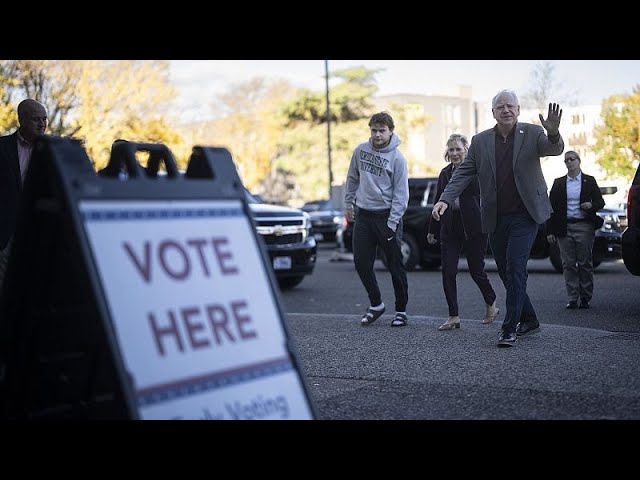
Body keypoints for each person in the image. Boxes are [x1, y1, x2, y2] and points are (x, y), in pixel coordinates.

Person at [432, 90, 564, 347]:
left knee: (515, 268)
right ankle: (530, 319)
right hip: (495, 216)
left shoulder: (533, 133)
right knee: (505, 271)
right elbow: (462, 174)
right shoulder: (480, 142)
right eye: (500, 107)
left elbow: (554, 149)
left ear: (518, 109)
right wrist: (444, 199)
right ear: (493, 112)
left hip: (526, 214)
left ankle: (509, 327)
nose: (506, 110)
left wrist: (553, 132)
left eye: (510, 106)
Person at [427, 133, 499, 330]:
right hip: (450, 227)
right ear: (447, 152)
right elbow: (438, 201)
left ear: (466, 150)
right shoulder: (444, 173)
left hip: (474, 227)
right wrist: (433, 229)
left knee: (476, 271)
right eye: (451, 149)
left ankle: (491, 301)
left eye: (458, 149)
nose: (455, 153)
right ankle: (453, 316)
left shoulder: (476, 171)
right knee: (448, 272)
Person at [344, 111, 409, 327]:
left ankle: (401, 310)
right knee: (361, 263)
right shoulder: (360, 150)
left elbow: (402, 194)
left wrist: (392, 223)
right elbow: (352, 178)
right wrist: (348, 203)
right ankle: (376, 305)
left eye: (382, 130)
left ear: (391, 131)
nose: (377, 135)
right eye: (374, 130)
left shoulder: (397, 158)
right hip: (364, 215)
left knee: (395, 265)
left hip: (387, 217)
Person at [0, 99, 48, 293]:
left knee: (32, 289)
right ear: (22, 120)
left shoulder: (54, 151)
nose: (42, 124)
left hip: (38, 232)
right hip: (4, 234)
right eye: (36, 119)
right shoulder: (2, 148)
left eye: (45, 119)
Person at [546, 151, 605, 309]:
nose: (569, 163)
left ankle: (585, 296)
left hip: (584, 225)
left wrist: (591, 205)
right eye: (566, 161)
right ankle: (572, 297)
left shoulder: (589, 181)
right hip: (564, 227)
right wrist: (550, 231)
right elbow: (550, 208)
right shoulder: (559, 183)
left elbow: (600, 201)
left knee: (585, 262)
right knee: (568, 264)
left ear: (579, 161)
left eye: (572, 159)